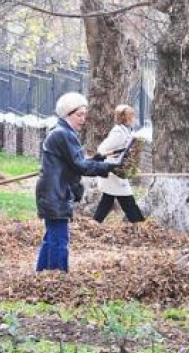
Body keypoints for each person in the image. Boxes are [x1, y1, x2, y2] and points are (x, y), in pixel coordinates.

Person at [36, 92, 124, 272]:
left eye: (85, 114)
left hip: (53, 192)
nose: (83, 119)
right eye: (79, 115)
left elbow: (75, 162)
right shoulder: (63, 134)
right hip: (55, 194)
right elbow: (80, 166)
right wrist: (108, 167)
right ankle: (57, 279)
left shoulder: (62, 132)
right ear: (67, 114)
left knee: (51, 237)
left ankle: (42, 276)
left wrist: (98, 160)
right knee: (59, 240)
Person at [93, 105, 145, 224]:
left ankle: (95, 223)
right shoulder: (119, 133)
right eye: (132, 116)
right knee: (127, 199)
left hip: (116, 172)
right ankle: (139, 224)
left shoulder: (125, 131)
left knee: (108, 200)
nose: (134, 118)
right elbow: (101, 149)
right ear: (124, 118)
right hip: (114, 172)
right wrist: (115, 153)